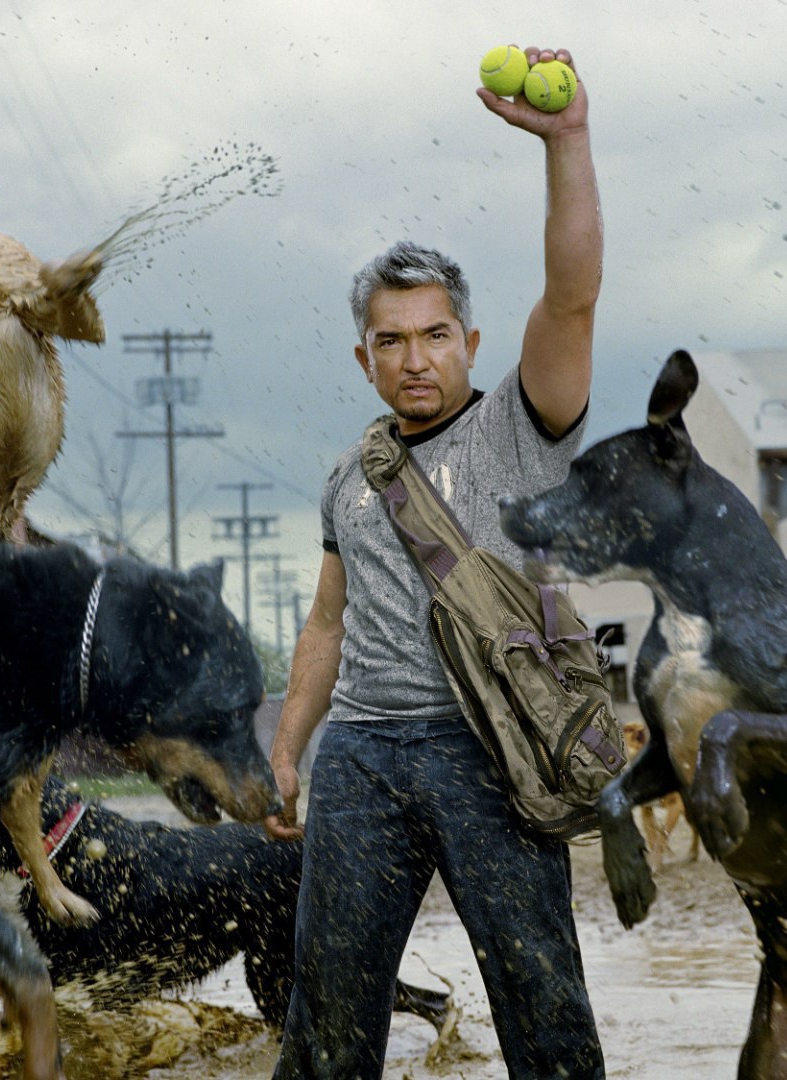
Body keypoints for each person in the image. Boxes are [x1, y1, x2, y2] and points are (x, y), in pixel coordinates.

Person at [264, 46, 604, 1080]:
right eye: (392, 340)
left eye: (435, 334)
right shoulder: (348, 474)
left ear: (470, 341)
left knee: (542, 1007)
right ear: (364, 356)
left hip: (489, 751)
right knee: (327, 1017)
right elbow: (327, 622)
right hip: (362, 759)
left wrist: (567, 142)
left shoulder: (519, 430)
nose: (416, 358)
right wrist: (289, 751)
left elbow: (573, 295)